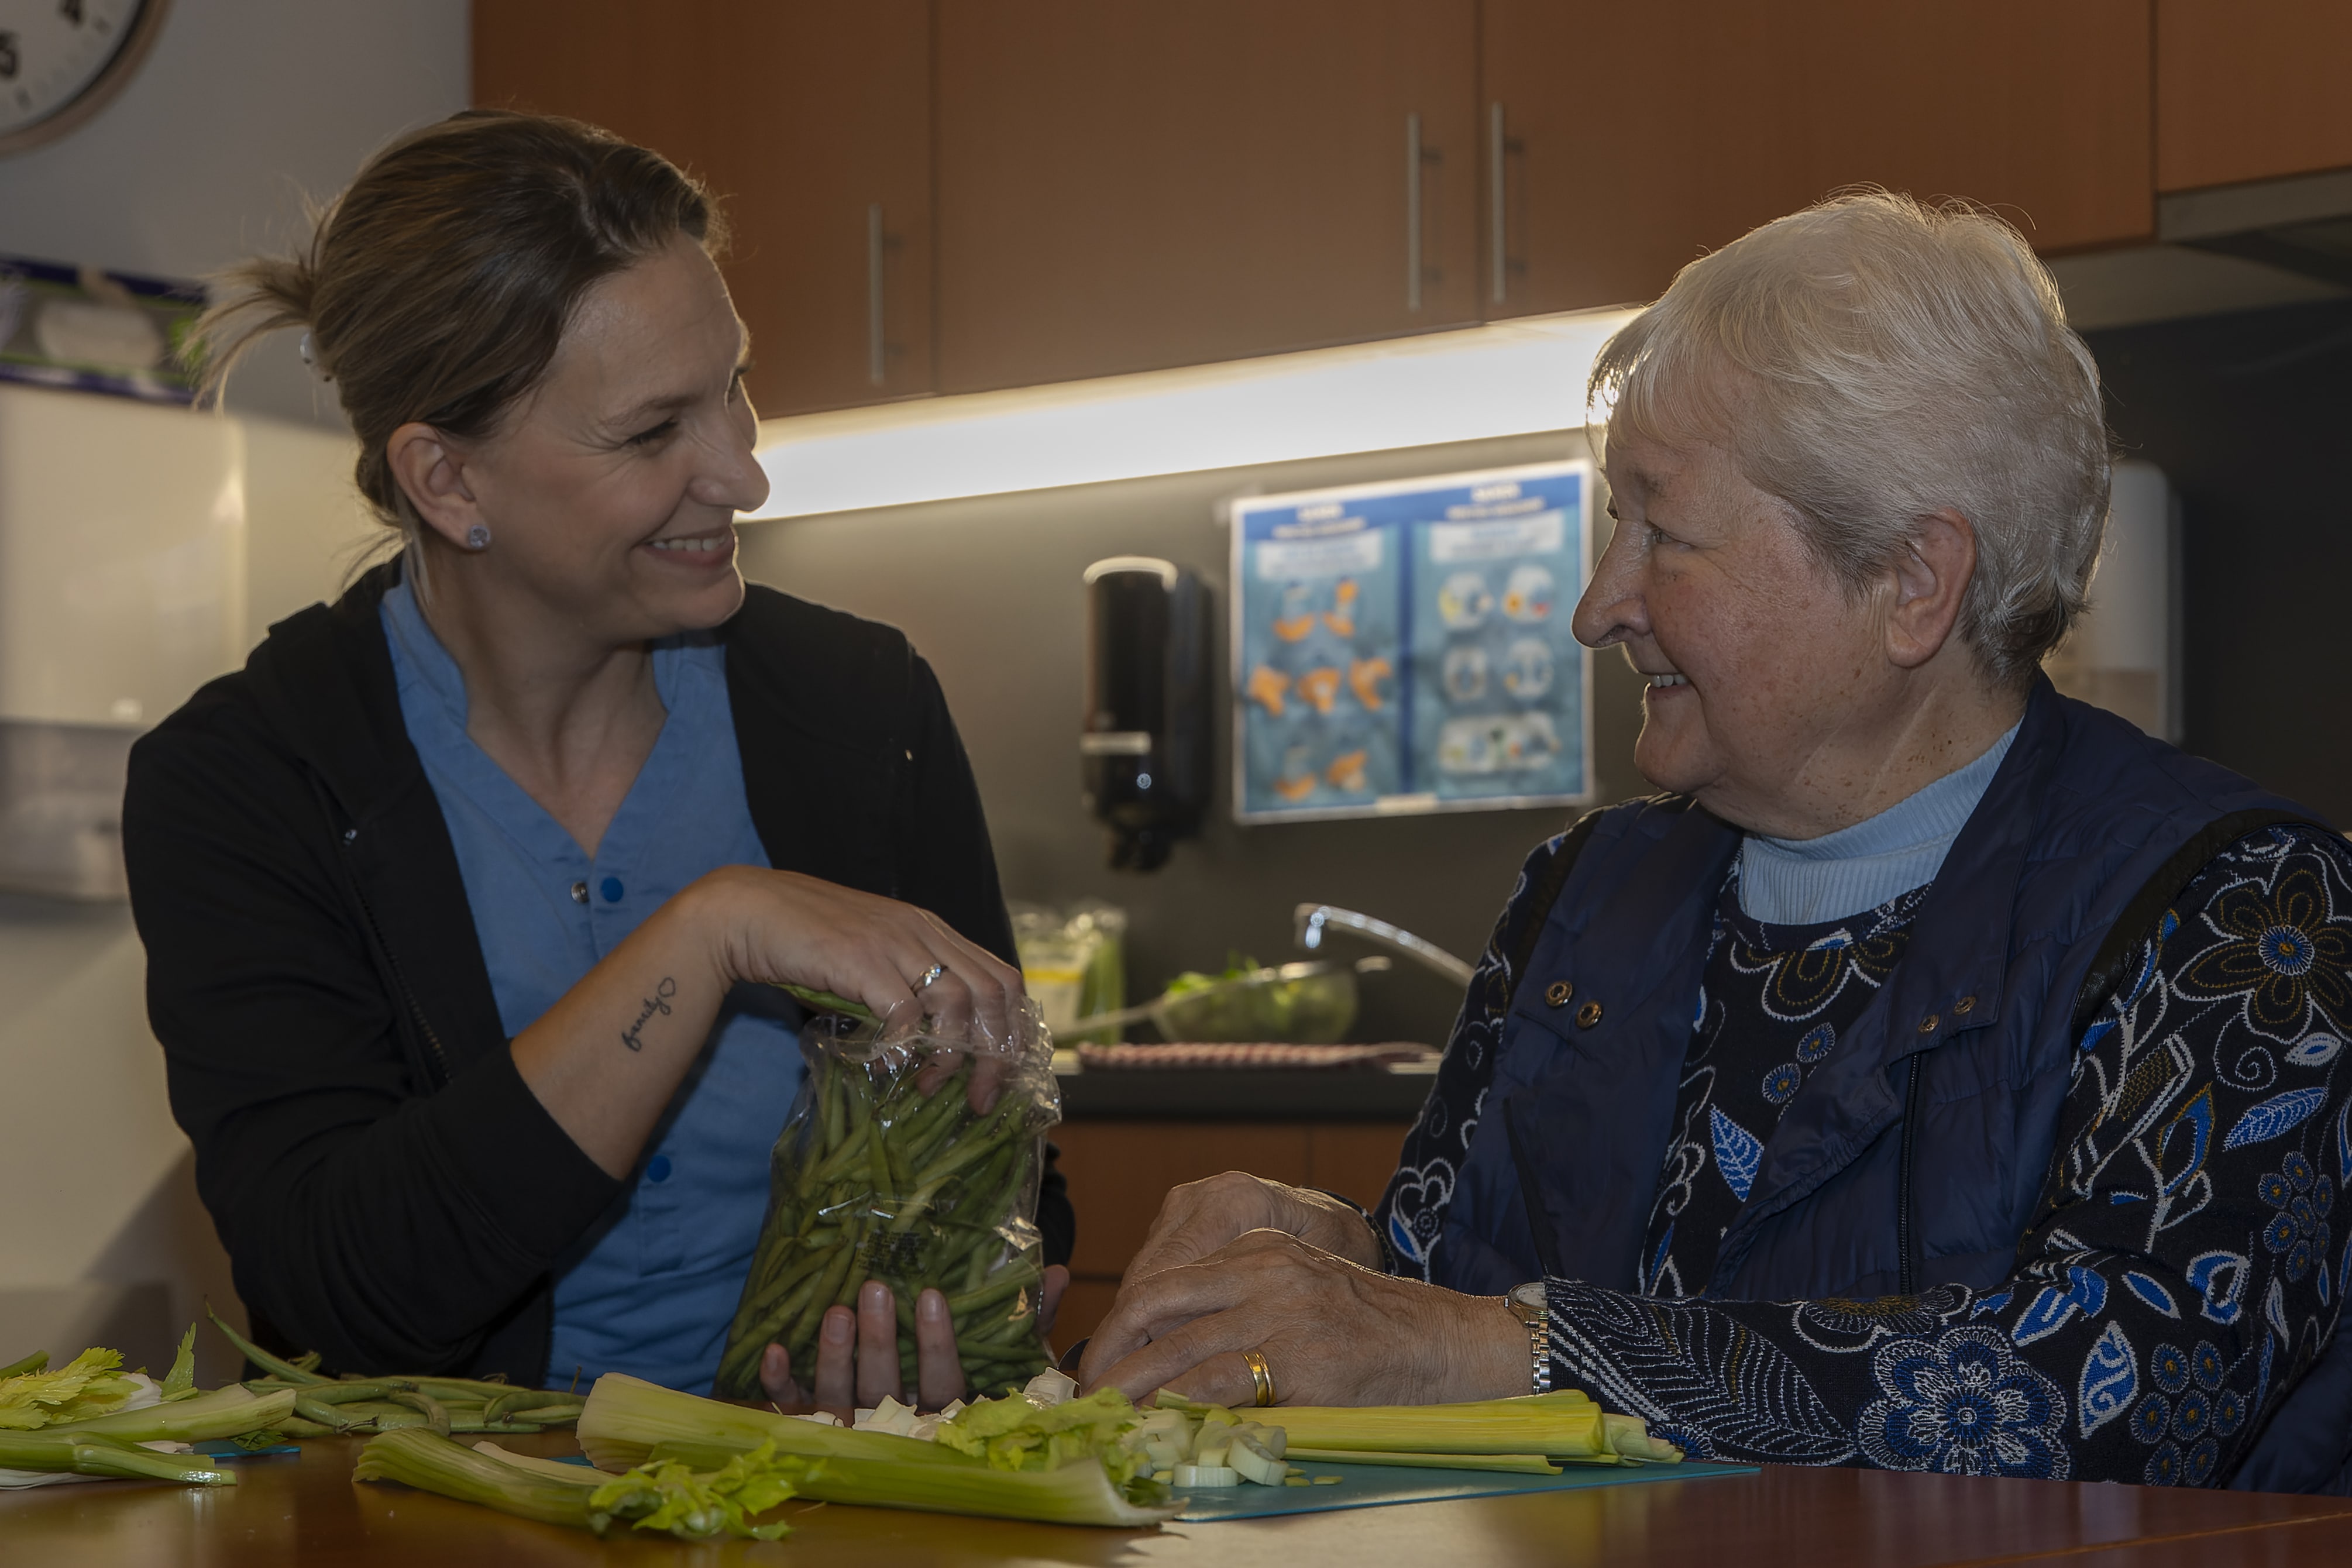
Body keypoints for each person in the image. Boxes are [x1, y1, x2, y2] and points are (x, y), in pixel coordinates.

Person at [1079, 191, 2352, 1491]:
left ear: (1914, 583)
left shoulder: (2244, 909)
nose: (1596, 606)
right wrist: (1332, 1261)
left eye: (1666, 534)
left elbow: (2120, 1393)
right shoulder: (1584, 895)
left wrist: (1507, 1350)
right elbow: (1445, 1301)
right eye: (1612, 526)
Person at [123, 111, 1068, 1409]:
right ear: (449, 481)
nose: (743, 472)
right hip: (429, 1497)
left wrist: (947, 1324)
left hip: (819, 1487)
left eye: (734, 385)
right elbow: (348, 1288)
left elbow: (1009, 1145)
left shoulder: (862, 708)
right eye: (652, 431)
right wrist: (710, 930)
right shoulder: (248, 780)